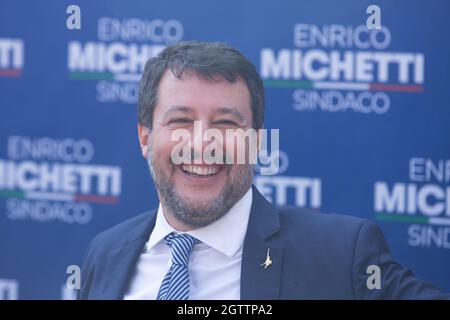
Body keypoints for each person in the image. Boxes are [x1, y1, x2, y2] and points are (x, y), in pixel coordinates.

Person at [78, 41, 447, 300]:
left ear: (256, 143)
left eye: (226, 123)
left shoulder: (342, 254)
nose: (203, 142)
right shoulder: (106, 253)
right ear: (145, 137)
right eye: (181, 120)